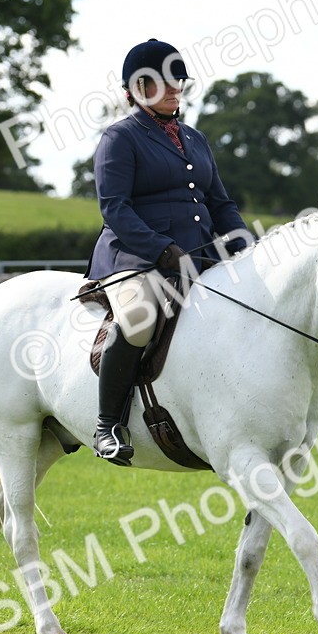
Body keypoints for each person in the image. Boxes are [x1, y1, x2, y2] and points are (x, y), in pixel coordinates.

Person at [85, 38, 252, 464]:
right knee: (139, 318)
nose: (176, 88)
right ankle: (107, 426)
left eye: (178, 80)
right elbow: (115, 209)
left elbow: (219, 202)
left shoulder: (195, 139)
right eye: (164, 82)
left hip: (198, 257)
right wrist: (160, 249)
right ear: (137, 90)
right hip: (136, 258)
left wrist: (243, 244)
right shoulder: (119, 138)